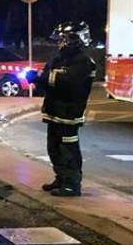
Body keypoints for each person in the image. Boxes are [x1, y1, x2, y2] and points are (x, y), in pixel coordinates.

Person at [26, 21, 96, 197]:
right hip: (54, 111)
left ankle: (72, 184)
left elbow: (68, 83)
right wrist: (35, 79)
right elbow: (47, 81)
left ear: (74, 39)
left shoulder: (83, 62)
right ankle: (61, 177)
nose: (60, 42)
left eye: (63, 39)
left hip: (69, 113)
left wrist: (45, 78)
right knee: (54, 147)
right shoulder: (58, 59)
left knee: (68, 149)